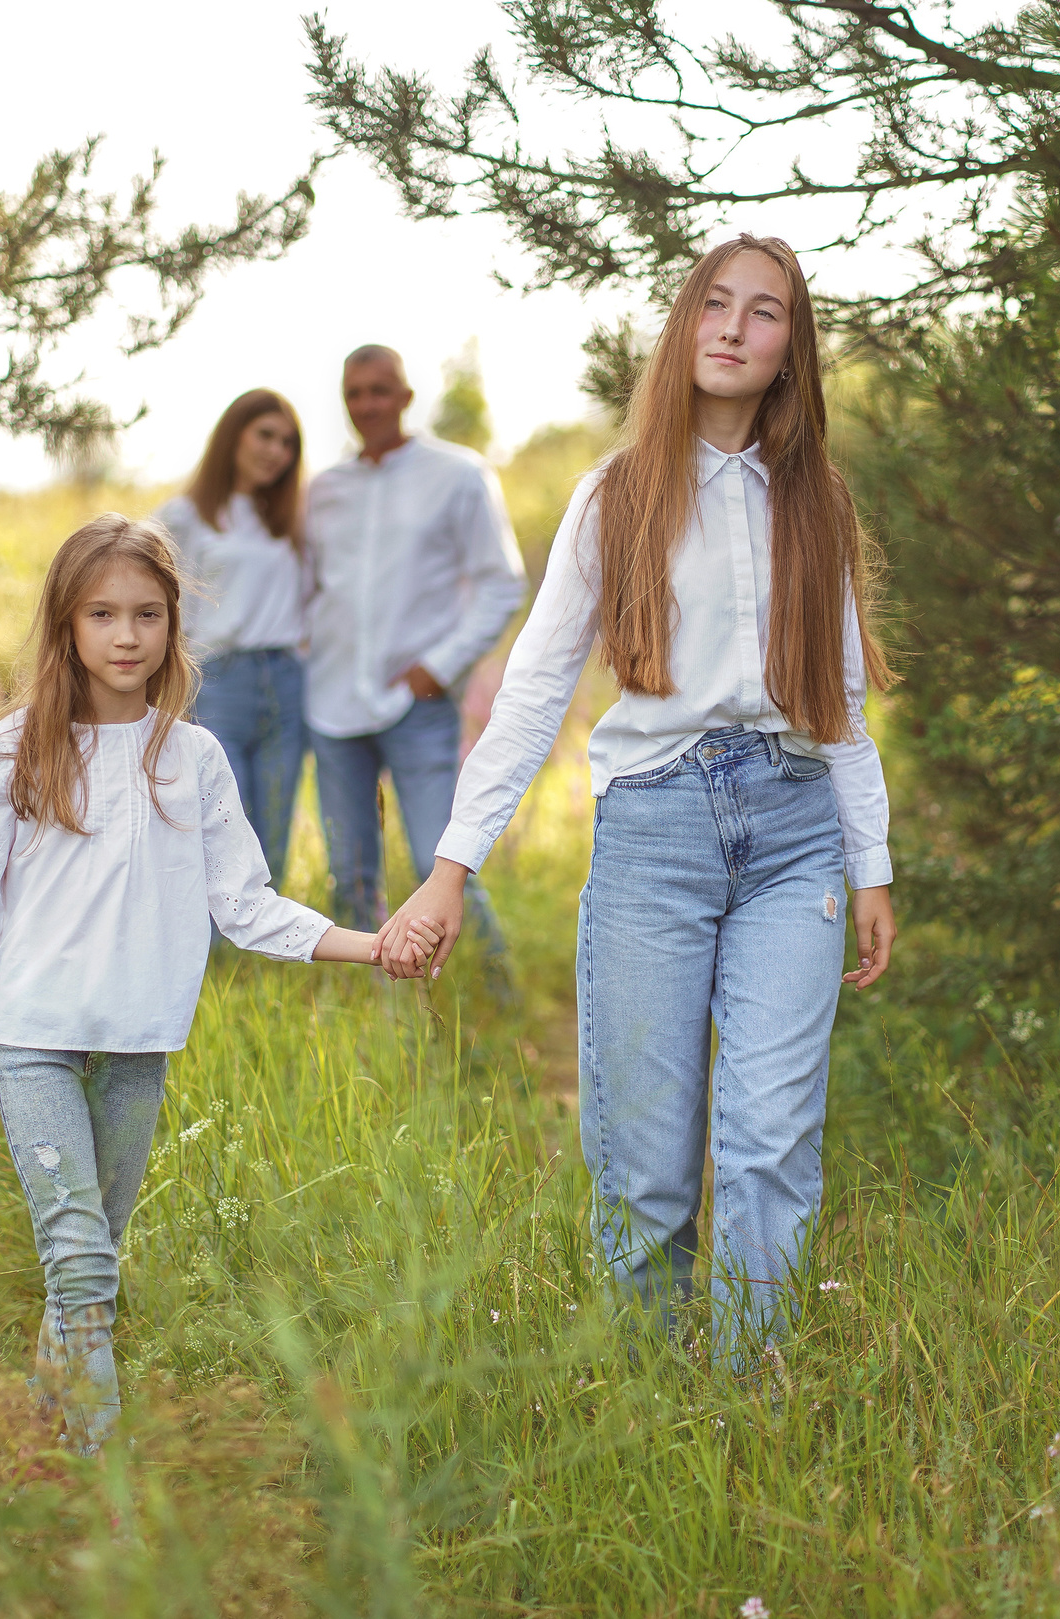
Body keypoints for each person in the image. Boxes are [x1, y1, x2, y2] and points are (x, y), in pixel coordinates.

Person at [379, 237, 897, 1364]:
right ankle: (655, 1400)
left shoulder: (817, 506)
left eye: (762, 315)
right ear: (683, 327)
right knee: (648, 1157)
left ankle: (752, 1389)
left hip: (795, 837)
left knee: (768, 1140)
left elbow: (844, 706)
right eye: (713, 303)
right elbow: (528, 697)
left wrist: (873, 868)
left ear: (785, 353)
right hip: (654, 831)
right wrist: (449, 872)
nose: (731, 327)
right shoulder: (615, 497)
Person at [0, 514, 437, 1454]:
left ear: (172, 627)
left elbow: (244, 903)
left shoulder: (190, 758)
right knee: (79, 1258)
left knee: (90, 1260)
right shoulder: (8, 752)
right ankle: (102, 1481)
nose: (127, 636)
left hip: (138, 1044)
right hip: (31, 1037)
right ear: (66, 624)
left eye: (148, 615)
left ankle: (47, 1444)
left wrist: (376, 945)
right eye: (104, 614)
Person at [302, 344, 526, 966]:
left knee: (440, 859)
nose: (367, 404)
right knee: (348, 872)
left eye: (380, 390)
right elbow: (311, 585)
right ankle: (365, 1000)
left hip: (417, 704)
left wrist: (441, 665)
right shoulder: (325, 490)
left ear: (404, 397)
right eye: (355, 393)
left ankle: (488, 992)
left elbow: (501, 583)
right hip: (332, 703)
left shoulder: (459, 474)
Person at [155, 389, 310, 890]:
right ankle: (218, 954)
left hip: (287, 678)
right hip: (219, 678)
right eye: (265, 435)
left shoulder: (288, 519)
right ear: (233, 435)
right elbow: (158, 605)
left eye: (287, 443)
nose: (276, 451)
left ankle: (270, 955)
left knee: (274, 819)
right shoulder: (184, 515)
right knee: (222, 821)